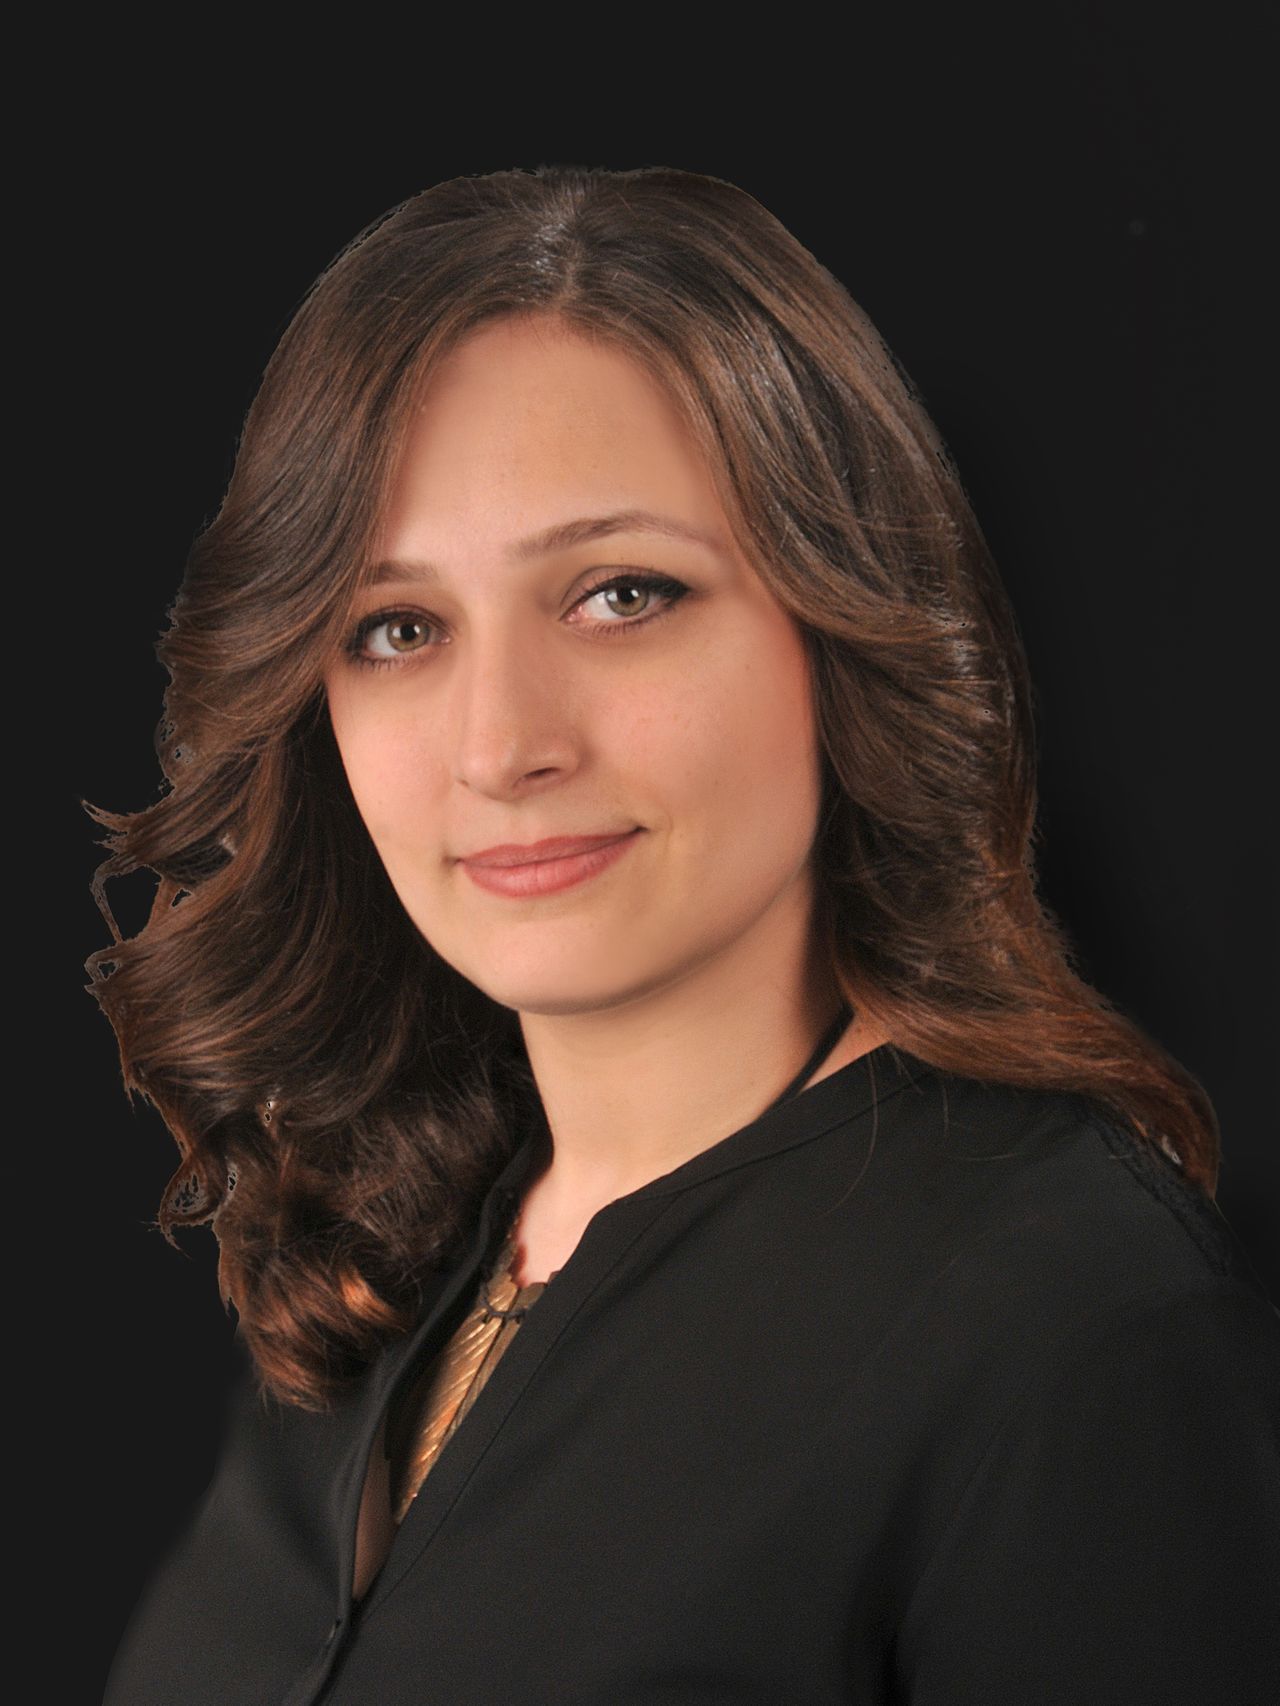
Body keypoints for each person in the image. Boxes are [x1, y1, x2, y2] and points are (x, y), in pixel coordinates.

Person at [92, 165, 1278, 1705]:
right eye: (396, 628)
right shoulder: (374, 1269)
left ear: (840, 619)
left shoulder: (1076, 1335)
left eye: (621, 594)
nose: (502, 743)